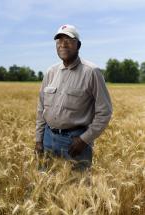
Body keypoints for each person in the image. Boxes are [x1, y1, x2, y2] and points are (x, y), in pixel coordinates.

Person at [35, 24, 112, 171]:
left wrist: (84, 140)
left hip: (75, 142)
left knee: (76, 190)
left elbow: (105, 112)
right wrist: (39, 140)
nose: (63, 44)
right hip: (48, 138)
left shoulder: (91, 72)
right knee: (45, 187)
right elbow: (41, 109)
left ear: (78, 45)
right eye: (59, 41)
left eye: (68, 40)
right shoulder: (50, 72)